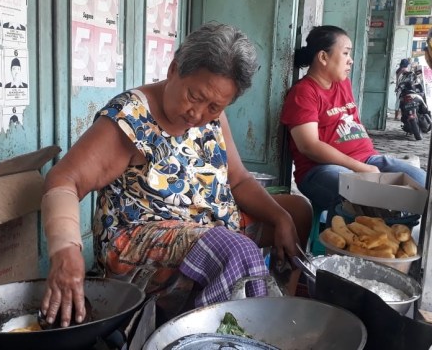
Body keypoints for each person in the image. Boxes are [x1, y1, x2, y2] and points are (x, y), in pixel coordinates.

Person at [40, 22, 312, 328]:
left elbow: (238, 180)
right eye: (194, 97)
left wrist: (279, 217)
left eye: (214, 106)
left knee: (296, 213)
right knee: (234, 249)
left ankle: (274, 314)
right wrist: (66, 250)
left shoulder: (212, 115)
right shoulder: (131, 119)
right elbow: (64, 180)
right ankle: (226, 335)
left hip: (208, 224)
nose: (198, 114)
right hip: (140, 238)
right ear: (173, 69)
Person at [280, 25, 426, 217]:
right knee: (363, 195)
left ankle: (400, 236)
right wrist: (361, 168)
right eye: (346, 53)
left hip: (369, 159)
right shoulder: (304, 93)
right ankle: (348, 244)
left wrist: (366, 165)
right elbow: (309, 146)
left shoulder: (343, 83)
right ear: (323, 57)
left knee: (423, 183)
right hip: (321, 170)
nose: (351, 61)